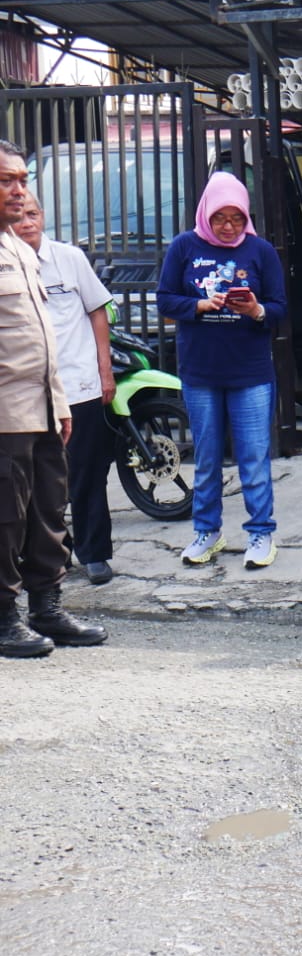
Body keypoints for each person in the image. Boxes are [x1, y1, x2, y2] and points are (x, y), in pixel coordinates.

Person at [0, 139, 107, 658]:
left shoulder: (21, 250)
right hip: (4, 411)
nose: (19, 190)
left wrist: (60, 401)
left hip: (42, 406)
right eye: (7, 181)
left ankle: (46, 606)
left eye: (22, 179)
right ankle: (4, 618)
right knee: (6, 515)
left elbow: (45, 335)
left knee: (47, 509)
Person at [156, 171, 288, 571]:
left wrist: (255, 310)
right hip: (201, 373)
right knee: (208, 458)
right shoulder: (183, 247)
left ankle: (261, 532)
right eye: (220, 218)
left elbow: (280, 307)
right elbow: (165, 298)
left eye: (236, 218)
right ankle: (207, 531)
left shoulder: (261, 251)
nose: (229, 227)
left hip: (250, 373)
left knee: (253, 459)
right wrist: (198, 306)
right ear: (205, 215)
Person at [12, 192, 117, 585]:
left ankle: (95, 554)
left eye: (34, 213)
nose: (27, 222)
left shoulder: (69, 259)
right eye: (19, 216)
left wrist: (105, 370)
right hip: (28, 393)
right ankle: (54, 553)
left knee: (87, 473)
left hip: (80, 385)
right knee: (37, 479)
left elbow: (97, 310)